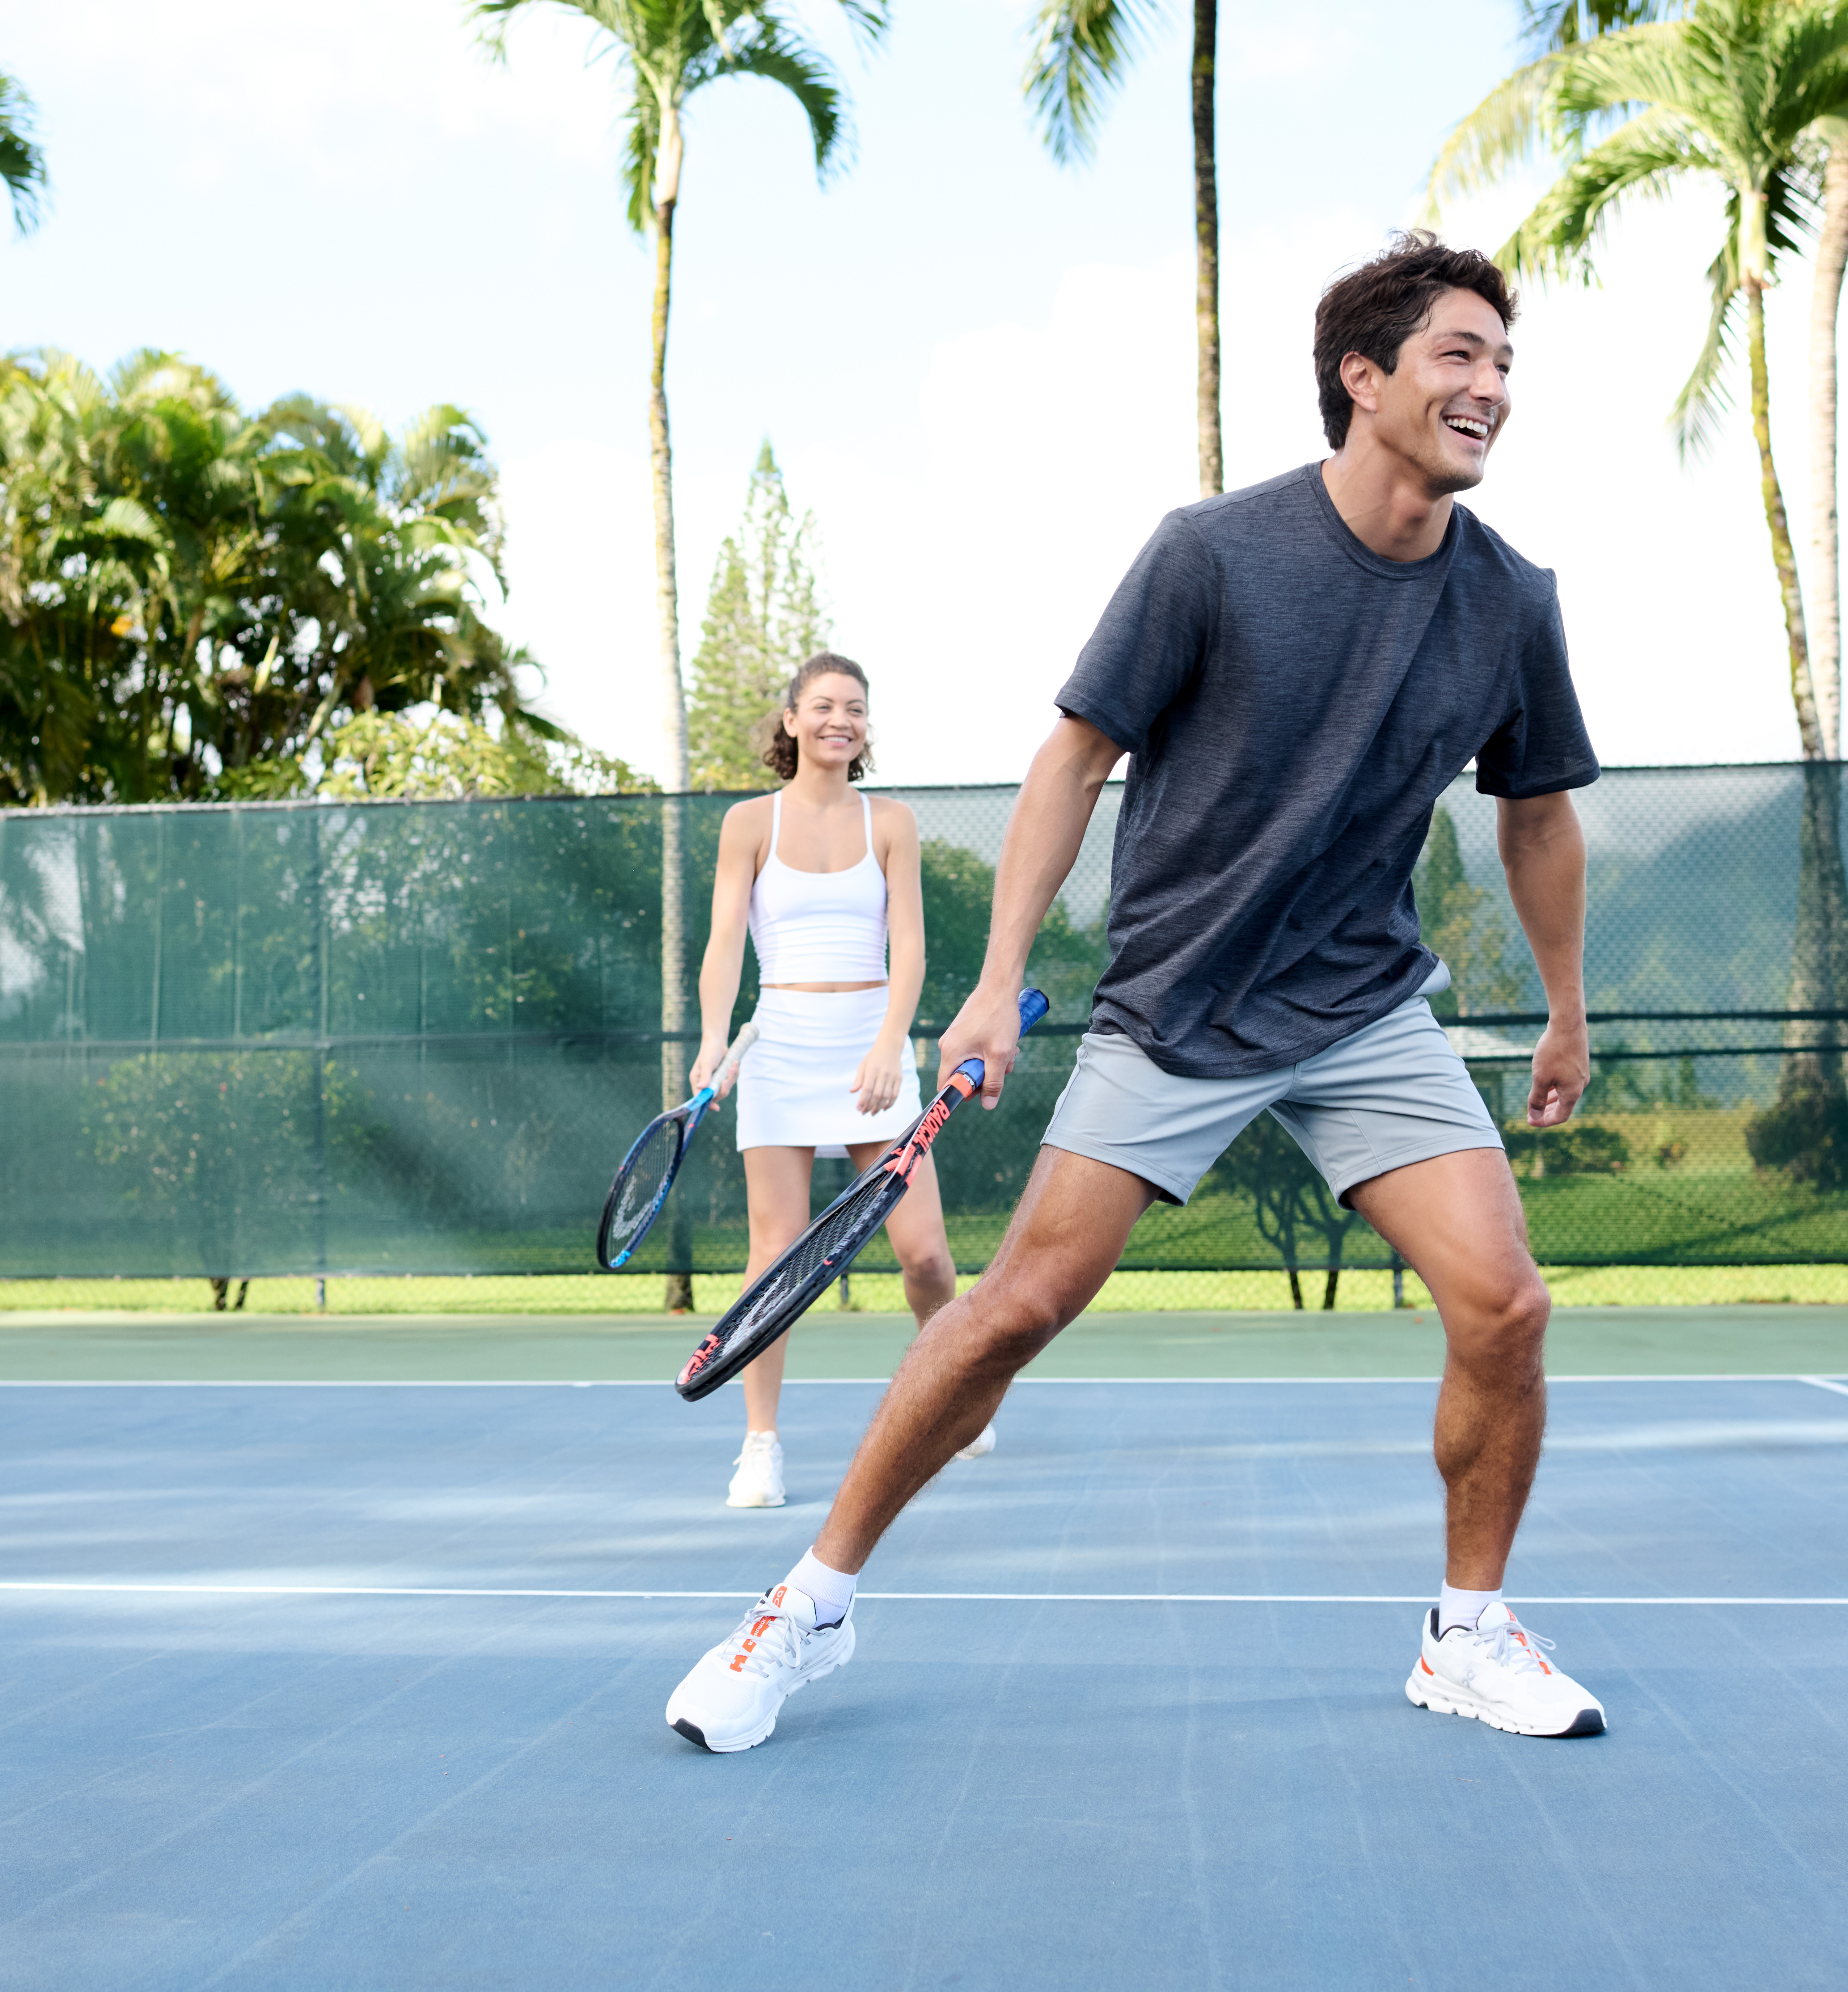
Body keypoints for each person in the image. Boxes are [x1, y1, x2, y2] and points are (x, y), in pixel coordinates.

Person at [666, 233, 1606, 1752]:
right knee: (1011, 1307)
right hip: (1179, 1000)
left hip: (1364, 1003)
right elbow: (1072, 757)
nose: (1491, 387)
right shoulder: (1213, 553)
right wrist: (993, 984)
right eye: (1458, 355)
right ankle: (805, 1609)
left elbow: (1539, 812)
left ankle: (1469, 1633)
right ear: (1362, 381)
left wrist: (1565, 1007)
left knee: (1505, 1303)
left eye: (1504, 364)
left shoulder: (1511, 601)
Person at [690, 653, 991, 1509]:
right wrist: (716, 1039)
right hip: (781, 1049)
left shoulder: (890, 821)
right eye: (822, 706)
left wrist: (891, 1045)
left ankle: (955, 1396)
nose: (839, 719)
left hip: (872, 1047)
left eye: (854, 709)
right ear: (790, 721)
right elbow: (722, 945)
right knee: (772, 1256)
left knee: (926, 1255)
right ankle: (760, 1446)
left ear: (864, 728)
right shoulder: (748, 824)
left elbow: (912, 945)